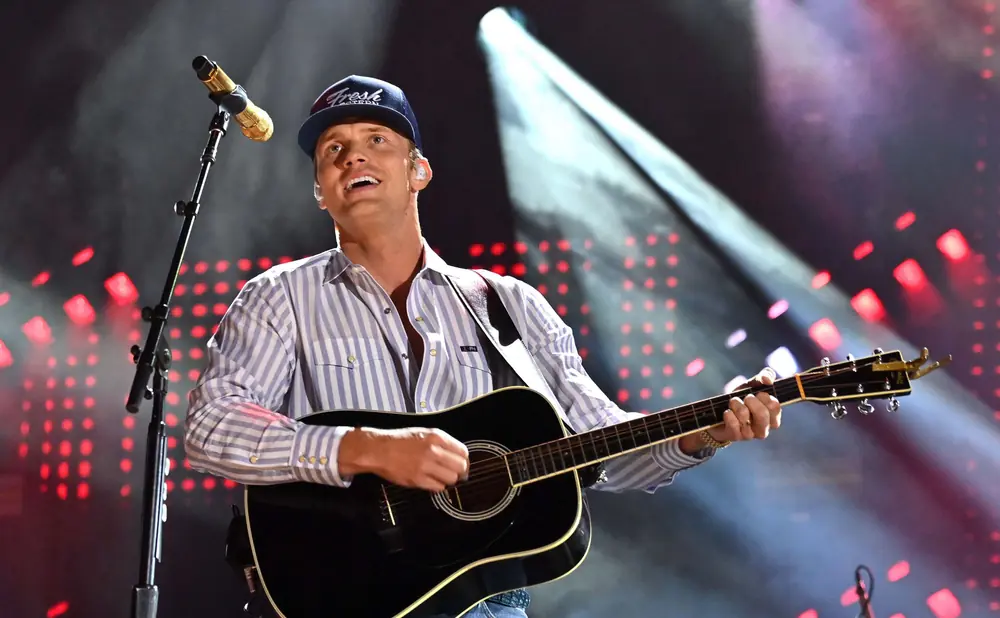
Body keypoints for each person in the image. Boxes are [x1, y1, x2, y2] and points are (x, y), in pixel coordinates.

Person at [184, 75, 784, 618]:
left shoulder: (508, 305)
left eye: (377, 139)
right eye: (332, 150)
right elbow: (211, 428)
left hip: (486, 606)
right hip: (335, 597)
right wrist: (365, 449)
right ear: (320, 190)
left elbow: (602, 448)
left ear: (419, 170)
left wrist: (706, 430)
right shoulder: (277, 298)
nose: (354, 155)